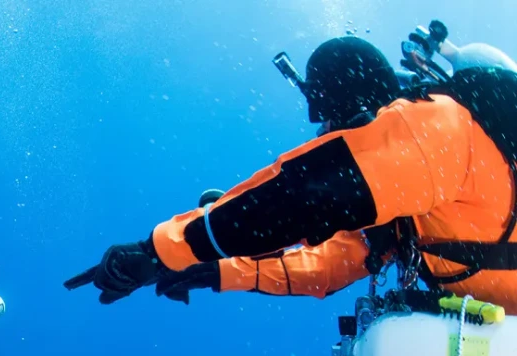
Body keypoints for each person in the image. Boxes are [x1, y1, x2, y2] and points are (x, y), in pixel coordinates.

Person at [65, 35, 517, 312]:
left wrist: (164, 249)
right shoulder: (408, 204)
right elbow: (327, 263)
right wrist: (220, 268)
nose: (331, 140)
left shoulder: (439, 128)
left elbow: (304, 196)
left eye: (337, 131)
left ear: (363, 114)